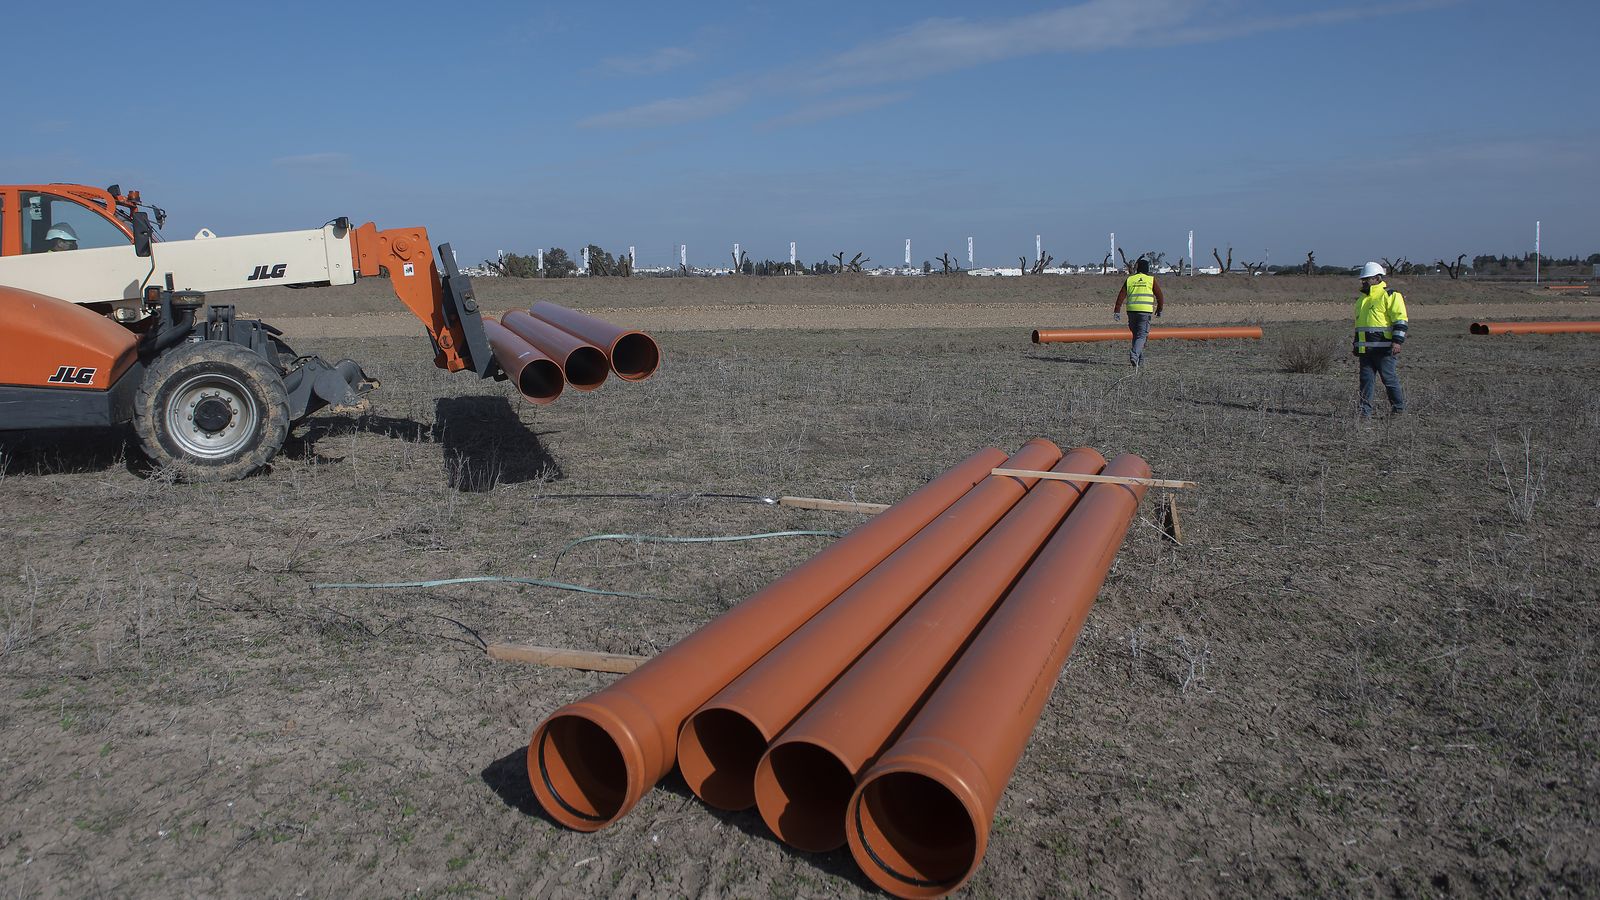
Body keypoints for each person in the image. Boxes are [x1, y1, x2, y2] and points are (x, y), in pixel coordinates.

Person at [1352, 261, 1408, 418]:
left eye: (1367, 279)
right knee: (1365, 383)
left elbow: (1400, 320)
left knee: (1389, 380)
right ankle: (1364, 413)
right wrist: (1357, 345)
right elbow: (1360, 326)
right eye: (1363, 279)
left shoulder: (1390, 295)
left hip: (1384, 349)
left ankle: (1398, 410)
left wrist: (1397, 341)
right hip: (1365, 350)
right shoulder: (1362, 300)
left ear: (1377, 278)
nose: (1363, 281)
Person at [1112, 257, 1164, 367]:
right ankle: (1134, 355)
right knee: (1142, 335)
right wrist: (1159, 309)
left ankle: (1140, 361)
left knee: (1136, 335)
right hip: (1145, 312)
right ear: (1147, 269)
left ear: (1137, 269)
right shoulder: (1150, 280)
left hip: (1131, 312)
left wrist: (1117, 310)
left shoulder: (1130, 279)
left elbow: (1121, 295)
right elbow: (1160, 296)